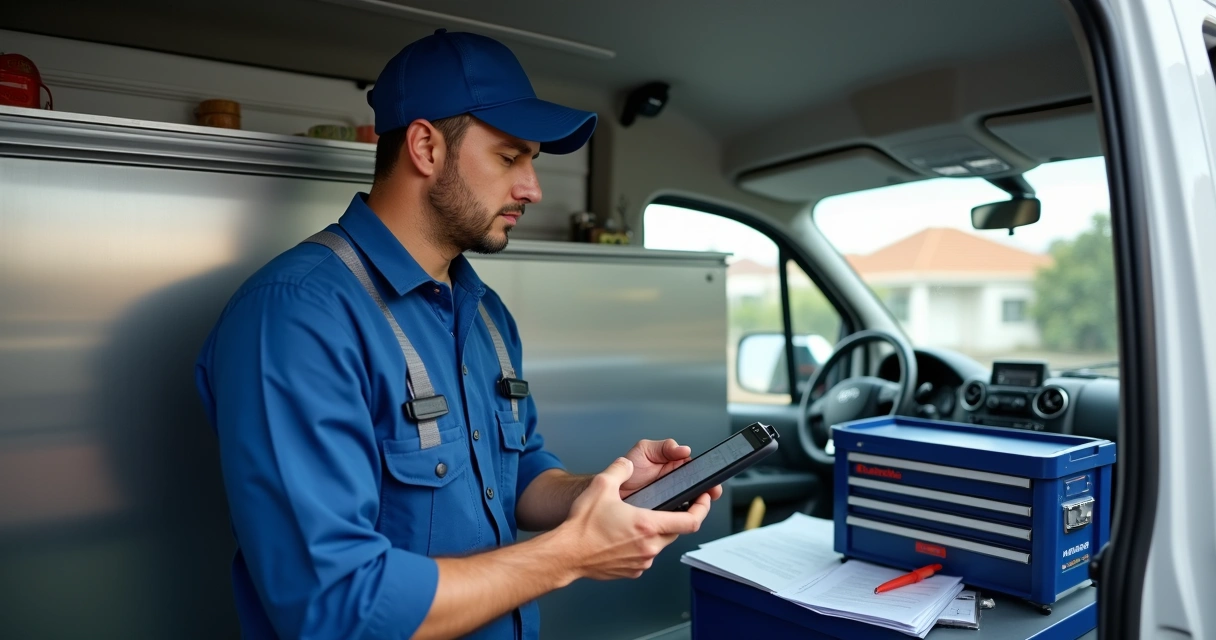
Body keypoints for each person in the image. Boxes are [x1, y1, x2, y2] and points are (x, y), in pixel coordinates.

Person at [194, 28, 722, 640]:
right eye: (509, 157)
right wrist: (572, 554)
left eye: (532, 161)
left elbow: (515, 471)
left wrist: (604, 489)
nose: (533, 187)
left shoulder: (486, 313)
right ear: (425, 147)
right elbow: (336, 606)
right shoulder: (294, 316)